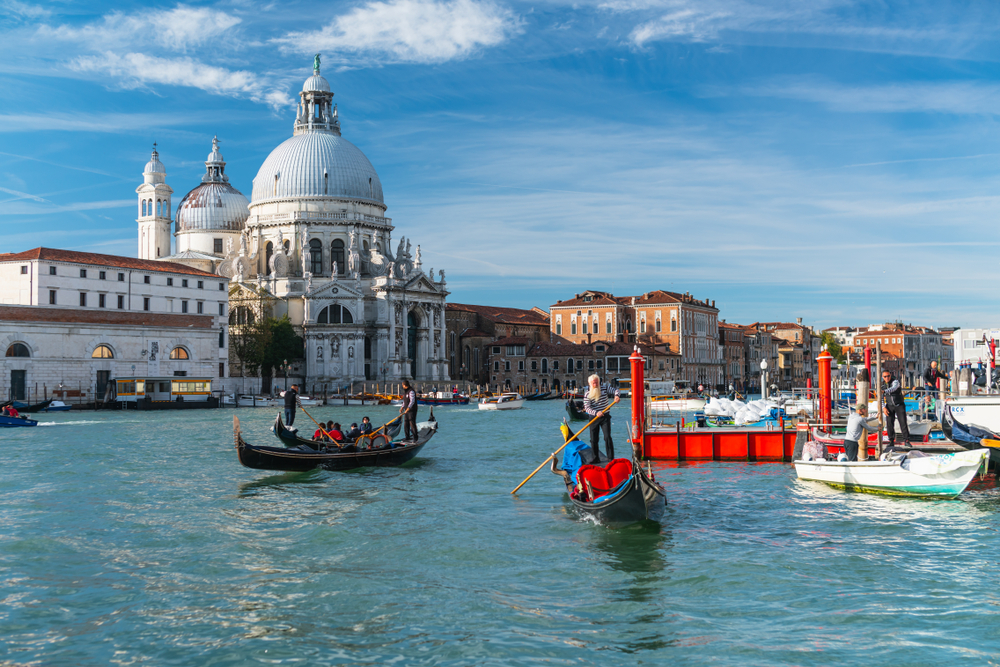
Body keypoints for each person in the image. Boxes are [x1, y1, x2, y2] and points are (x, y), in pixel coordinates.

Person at [582, 373, 620, 461]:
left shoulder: (605, 388)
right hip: (594, 418)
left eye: (597, 383)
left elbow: (616, 391)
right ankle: (595, 458)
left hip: (605, 417)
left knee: (607, 437)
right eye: (593, 383)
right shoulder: (587, 394)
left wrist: (617, 396)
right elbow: (587, 408)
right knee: (593, 439)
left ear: (599, 382)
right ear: (590, 384)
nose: (595, 385)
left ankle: (610, 458)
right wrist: (596, 413)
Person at [881, 370, 910, 446]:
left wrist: (884, 391)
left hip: (899, 404)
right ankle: (891, 440)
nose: (887, 378)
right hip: (889, 405)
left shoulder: (895, 382)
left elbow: (893, 388)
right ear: (882, 377)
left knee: (903, 422)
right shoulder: (882, 385)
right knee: (889, 423)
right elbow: (880, 398)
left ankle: (906, 440)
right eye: (885, 376)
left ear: (890, 376)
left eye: (888, 376)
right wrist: (883, 407)